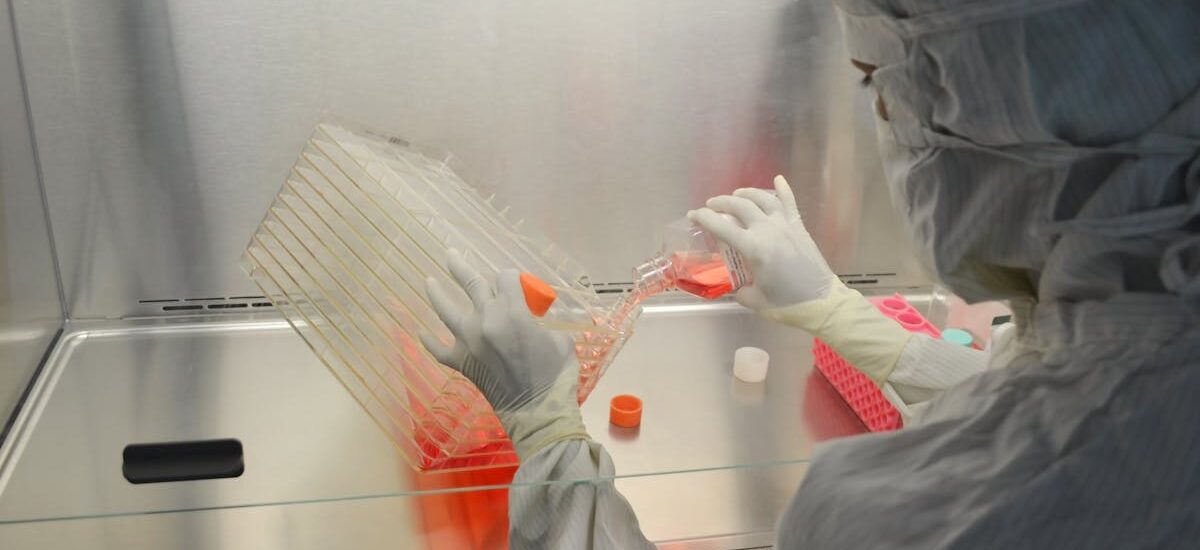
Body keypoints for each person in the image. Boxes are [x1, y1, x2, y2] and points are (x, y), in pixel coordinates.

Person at [421, 0, 1200, 547]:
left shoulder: (910, 519)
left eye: (886, 88)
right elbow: (1057, 396)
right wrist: (837, 310)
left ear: (1025, 115)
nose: (887, 127)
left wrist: (548, 434)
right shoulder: (1158, 326)